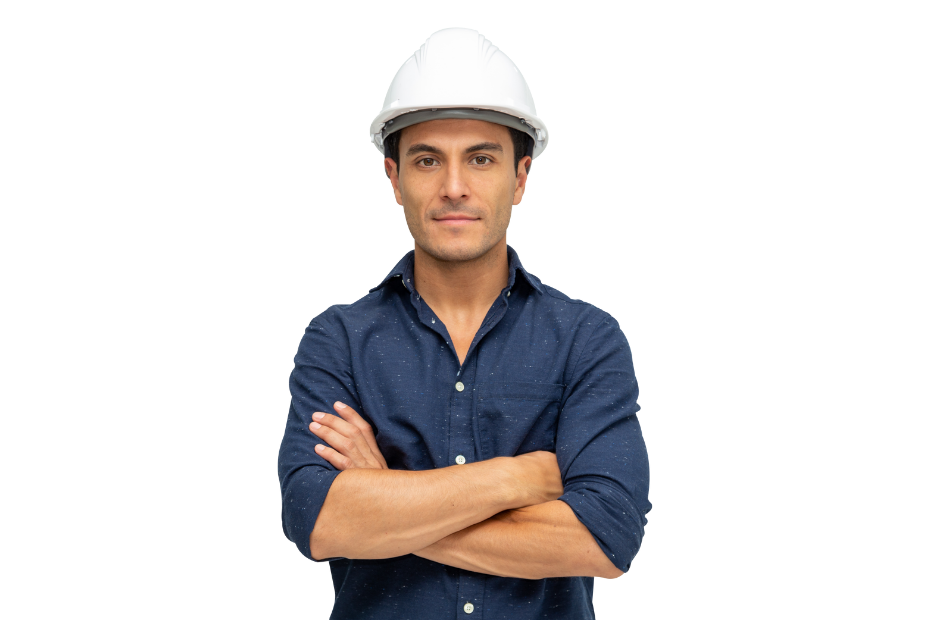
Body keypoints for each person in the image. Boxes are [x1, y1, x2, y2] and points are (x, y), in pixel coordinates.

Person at [278, 27, 651, 620]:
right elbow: (316, 522)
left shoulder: (588, 338)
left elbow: (604, 539)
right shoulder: (337, 340)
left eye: (481, 158)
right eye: (428, 160)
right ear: (394, 180)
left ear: (521, 178)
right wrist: (523, 477)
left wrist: (386, 503)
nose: (454, 187)